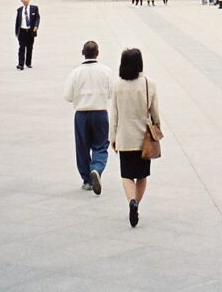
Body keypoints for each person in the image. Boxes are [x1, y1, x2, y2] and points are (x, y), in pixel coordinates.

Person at [110, 48, 161, 228]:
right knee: (141, 175)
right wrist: (158, 130)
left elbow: (114, 114)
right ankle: (136, 204)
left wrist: (112, 136)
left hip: (124, 137)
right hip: (143, 139)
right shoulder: (150, 84)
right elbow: (155, 113)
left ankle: (131, 201)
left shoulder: (117, 86)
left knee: (126, 175)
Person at [64, 40, 113, 193]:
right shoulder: (105, 71)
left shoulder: (76, 72)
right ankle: (97, 168)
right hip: (100, 111)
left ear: (82, 53)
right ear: (97, 53)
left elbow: (68, 96)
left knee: (82, 147)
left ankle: (86, 179)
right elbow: (111, 92)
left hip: (81, 113)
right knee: (101, 144)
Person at [15, 0, 39, 70]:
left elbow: (37, 18)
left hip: (30, 32)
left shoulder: (34, 8)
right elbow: (17, 21)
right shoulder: (19, 10)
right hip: (22, 31)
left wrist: (36, 26)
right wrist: (16, 32)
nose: (25, 0)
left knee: (29, 48)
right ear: (22, 1)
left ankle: (28, 63)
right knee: (21, 48)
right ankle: (20, 64)